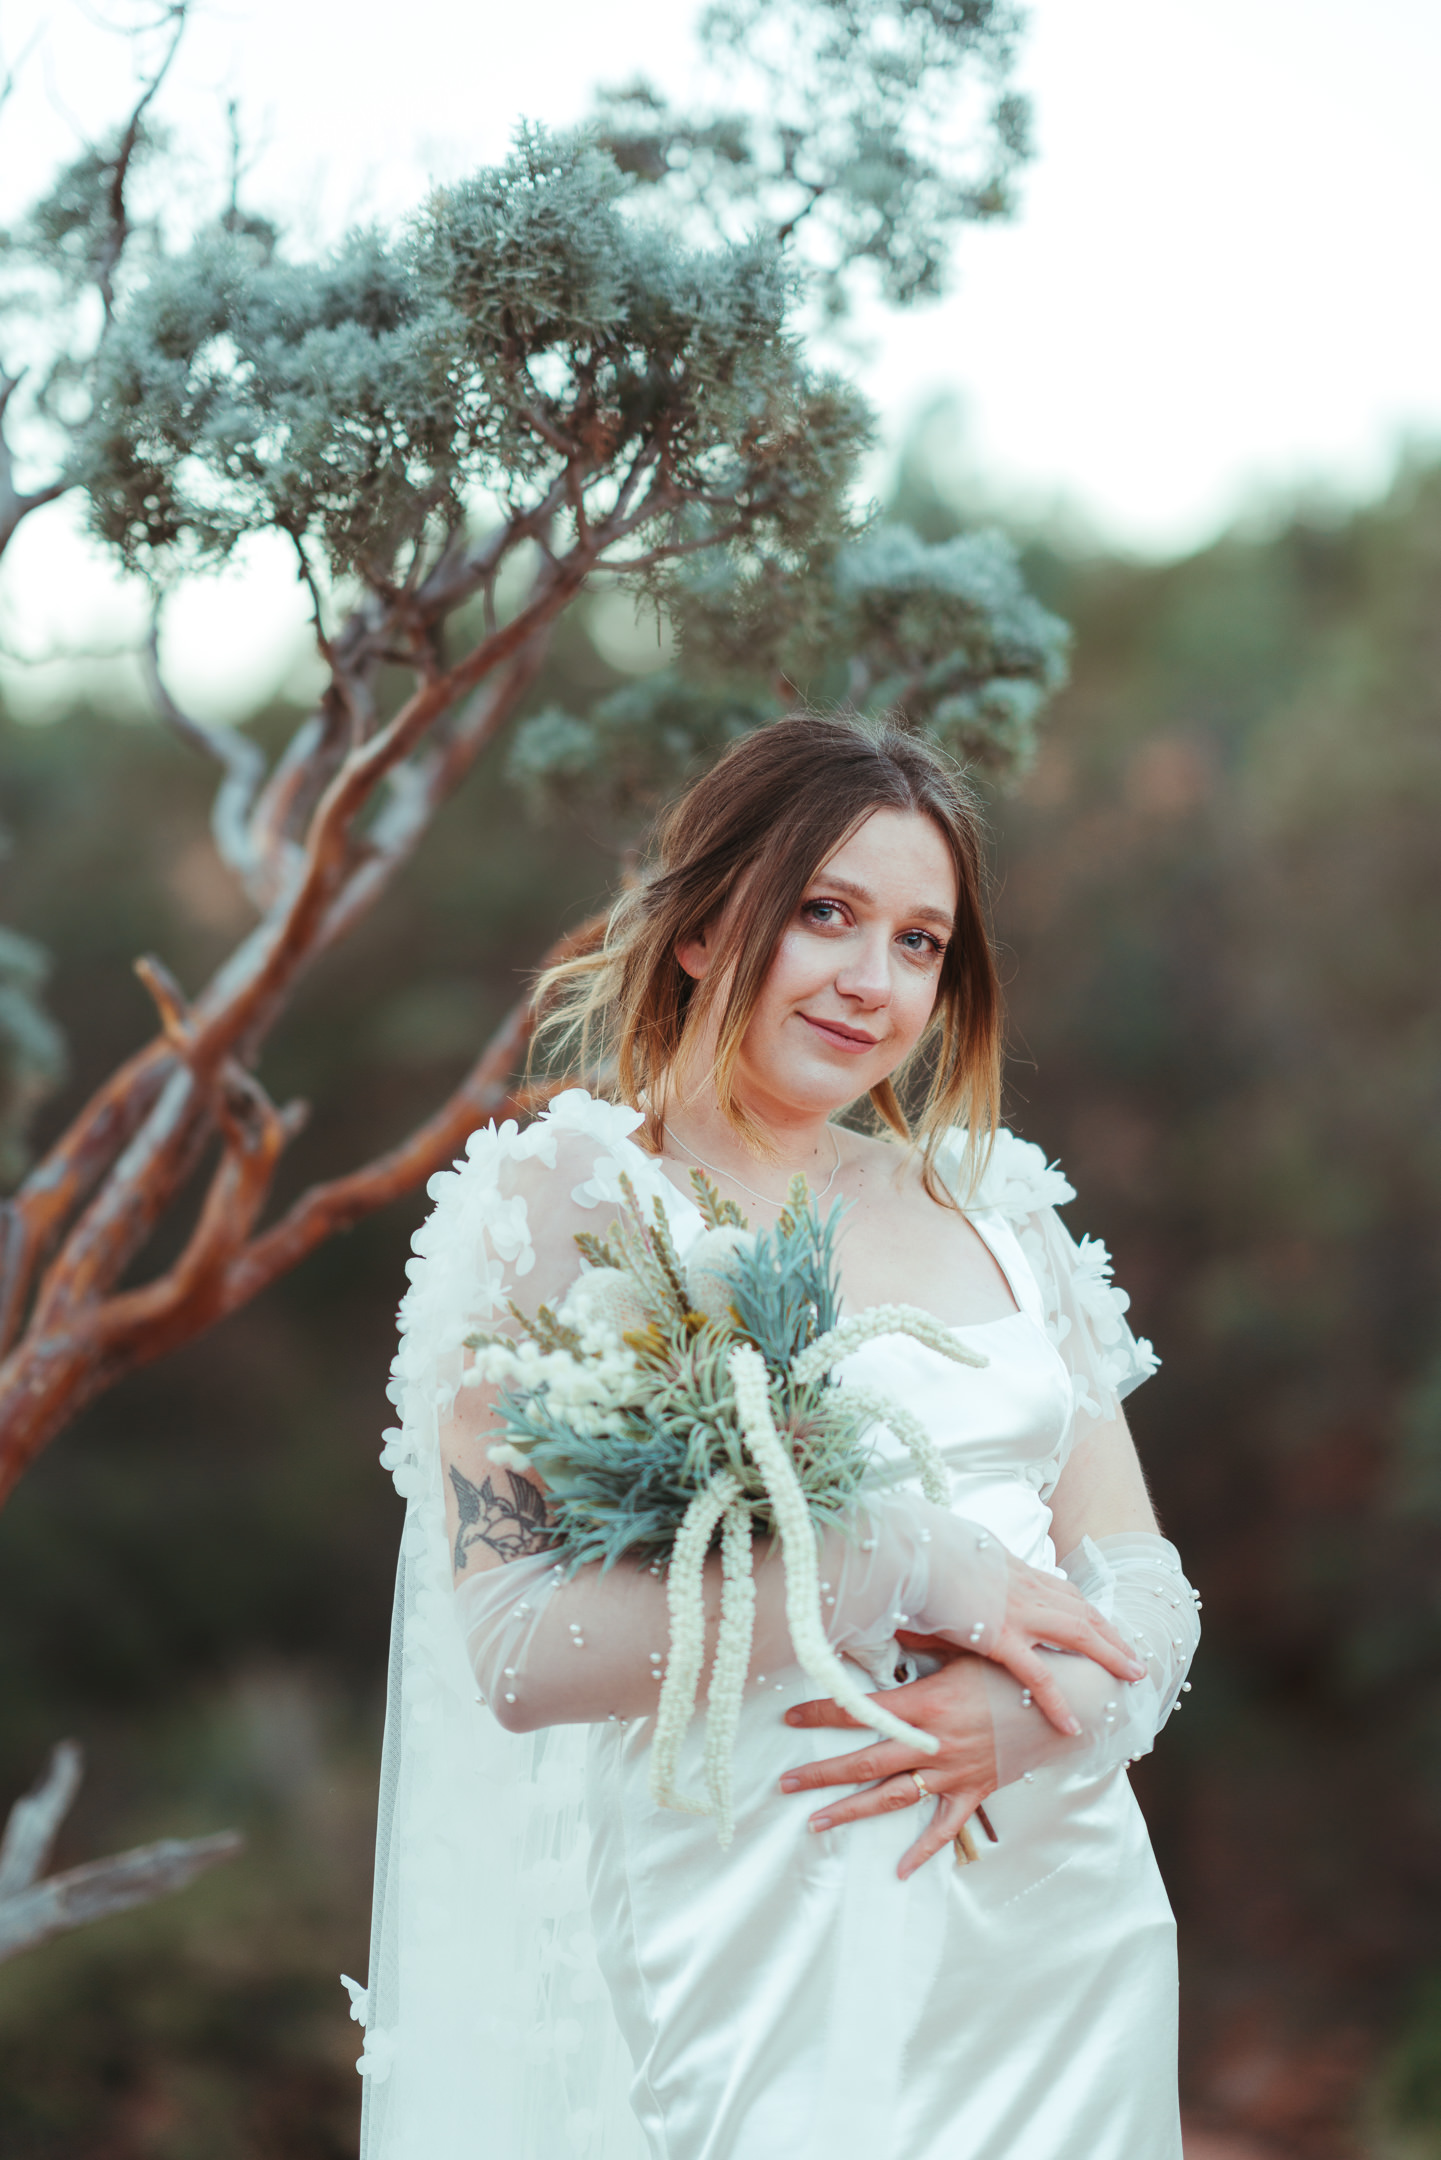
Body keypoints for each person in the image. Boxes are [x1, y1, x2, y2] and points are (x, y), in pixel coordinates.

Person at [352, 715, 1200, 2160]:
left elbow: (1149, 1594)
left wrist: (1030, 1722)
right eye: (826, 914)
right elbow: (510, 1646)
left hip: (1064, 1903)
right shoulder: (569, 1201)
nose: (872, 982)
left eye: (920, 942)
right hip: (768, 1912)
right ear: (698, 928)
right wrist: (894, 1564)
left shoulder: (1000, 1211)